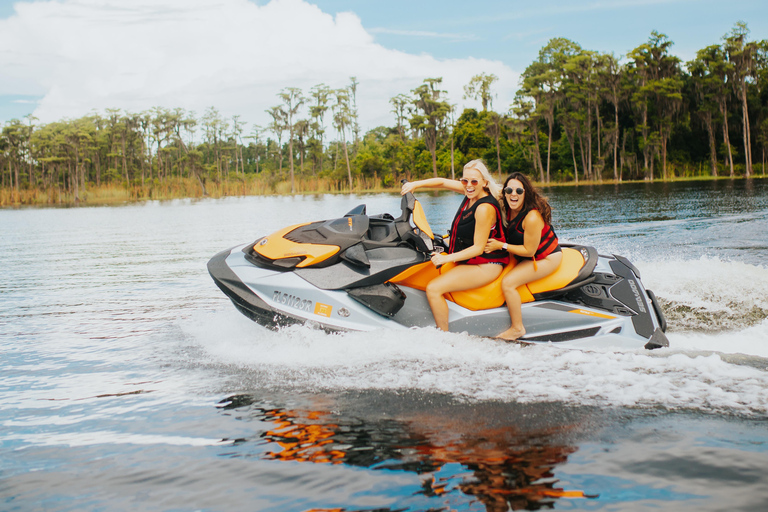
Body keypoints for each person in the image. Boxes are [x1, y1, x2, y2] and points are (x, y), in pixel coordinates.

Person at [401, 160, 509, 331]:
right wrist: (416, 184)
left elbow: (478, 248)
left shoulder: (484, 208)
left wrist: (446, 259)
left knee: (434, 288)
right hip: (472, 260)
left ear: (484, 183)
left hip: (486, 265)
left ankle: (444, 337)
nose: (468, 185)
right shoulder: (470, 192)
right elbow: (443, 182)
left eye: (474, 181)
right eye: (464, 180)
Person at [484, 172, 562, 340]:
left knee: (508, 283)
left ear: (525, 193)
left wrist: (501, 246)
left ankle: (517, 328)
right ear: (504, 192)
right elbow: (472, 188)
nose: (514, 194)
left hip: (545, 258)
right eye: (509, 190)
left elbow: (529, 251)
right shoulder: (506, 204)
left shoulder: (532, 217)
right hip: (522, 253)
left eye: (519, 191)